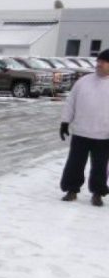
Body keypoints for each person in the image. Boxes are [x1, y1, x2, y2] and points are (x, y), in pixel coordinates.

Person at [59, 49, 109, 206]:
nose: (99, 64)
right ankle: (71, 190)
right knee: (75, 163)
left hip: (103, 135)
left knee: (100, 167)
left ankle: (97, 193)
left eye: (103, 62)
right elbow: (71, 103)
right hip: (81, 132)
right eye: (98, 61)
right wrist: (65, 122)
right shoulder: (84, 82)